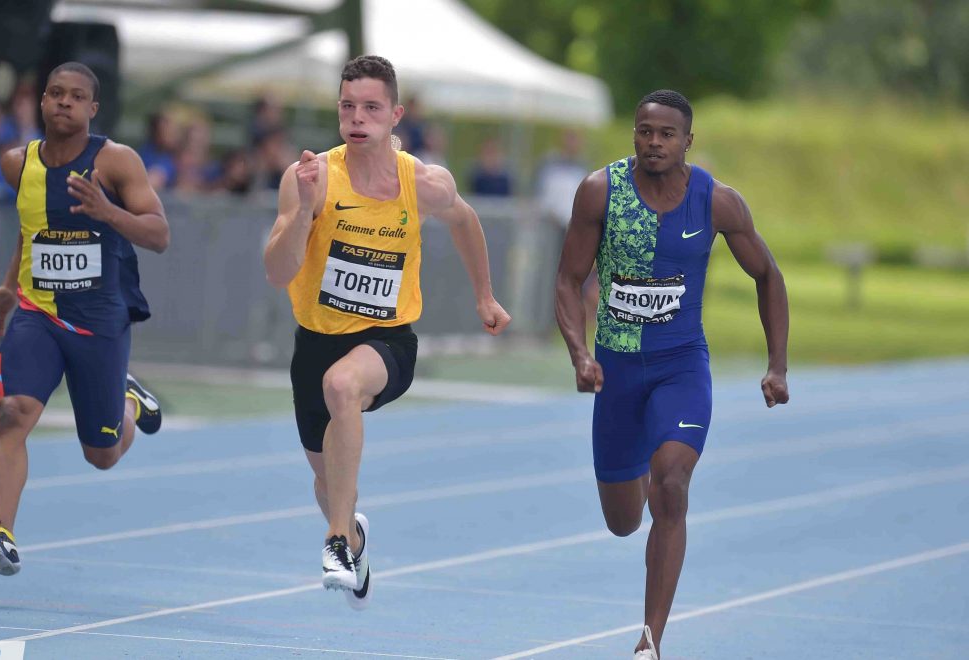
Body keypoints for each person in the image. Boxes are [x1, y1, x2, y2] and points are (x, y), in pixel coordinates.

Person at [263, 55, 511, 608]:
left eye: (372, 107)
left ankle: (334, 541)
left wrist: (485, 296)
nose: (358, 118)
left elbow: (466, 221)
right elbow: (277, 272)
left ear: (395, 115)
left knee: (342, 385)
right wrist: (303, 214)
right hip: (315, 341)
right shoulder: (312, 179)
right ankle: (351, 536)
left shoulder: (422, 182)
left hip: (387, 340)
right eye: (348, 106)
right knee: (328, 483)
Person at [554, 89, 789, 659]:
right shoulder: (601, 191)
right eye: (644, 131)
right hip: (616, 372)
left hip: (680, 366)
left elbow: (768, 275)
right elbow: (568, 279)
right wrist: (580, 354)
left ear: (687, 141)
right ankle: (640, 458)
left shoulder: (717, 202)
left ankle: (649, 641)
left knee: (673, 487)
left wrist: (777, 364)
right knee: (622, 521)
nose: (653, 142)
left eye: (666, 134)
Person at [0, 62, 171, 576]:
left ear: (92, 108)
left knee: (101, 454)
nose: (64, 102)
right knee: (12, 411)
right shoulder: (16, 164)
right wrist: (9, 289)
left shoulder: (116, 162)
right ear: (41, 101)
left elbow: (159, 234)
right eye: (55, 93)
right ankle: (3, 535)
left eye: (76, 96)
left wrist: (108, 213)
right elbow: (31, 229)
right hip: (37, 314)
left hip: (99, 323)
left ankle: (129, 401)